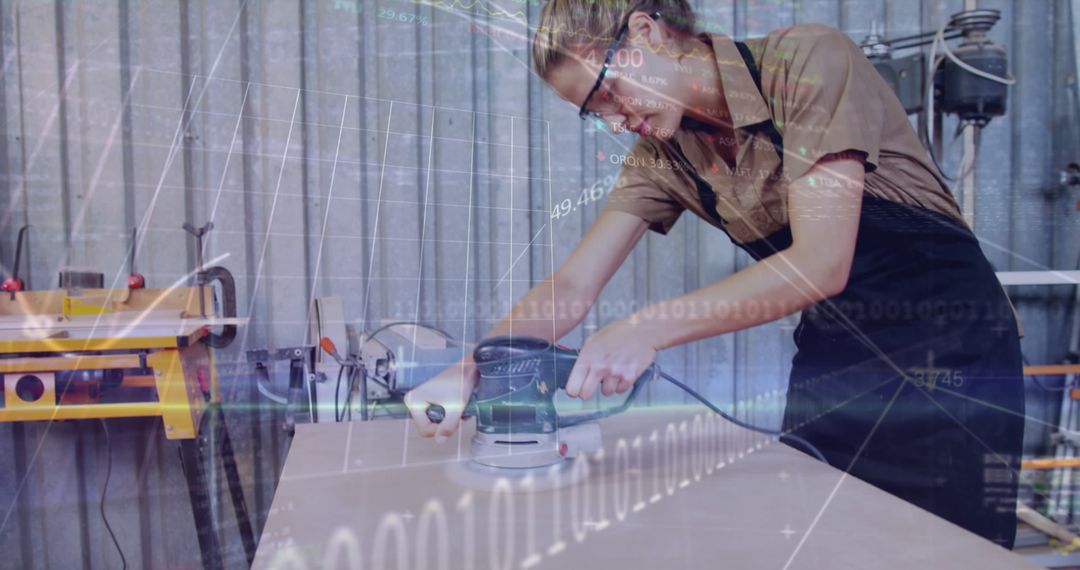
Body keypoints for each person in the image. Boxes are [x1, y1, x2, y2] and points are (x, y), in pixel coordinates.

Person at [404, 0, 1025, 549]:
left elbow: (821, 262)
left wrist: (648, 327)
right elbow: (572, 286)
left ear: (644, 31)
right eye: (594, 114)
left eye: (608, 93)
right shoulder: (662, 157)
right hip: (836, 359)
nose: (616, 122)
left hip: (954, 355)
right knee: (823, 542)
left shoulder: (808, 62)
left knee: (947, 550)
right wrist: (473, 367)